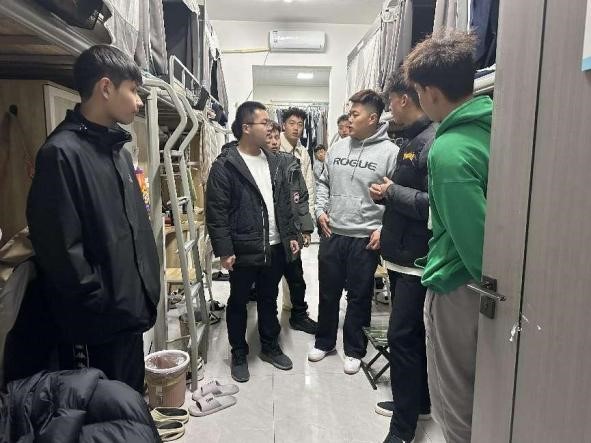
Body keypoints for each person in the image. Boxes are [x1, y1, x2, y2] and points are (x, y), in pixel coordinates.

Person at [26, 45, 160, 393]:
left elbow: (131, 230)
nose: (139, 102)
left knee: (129, 400)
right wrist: (99, 303)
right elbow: (60, 251)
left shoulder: (118, 152)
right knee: (99, 408)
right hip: (95, 326)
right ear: (105, 88)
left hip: (126, 313)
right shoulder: (60, 154)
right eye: (133, 90)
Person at [405, 32, 493, 443]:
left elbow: (478, 247)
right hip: (483, 291)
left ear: (431, 92)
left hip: (461, 285)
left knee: (453, 400)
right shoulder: (492, 127)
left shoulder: (450, 149)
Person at [206, 101, 300, 383]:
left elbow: (284, 204)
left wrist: (291, 236)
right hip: (243, 247)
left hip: (274, 245)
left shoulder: (274, 161)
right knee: (238, 301)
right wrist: (225, 250)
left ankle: (270, 345)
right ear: (246, 128)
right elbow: (217, 212)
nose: (271, 128)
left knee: (269, 298)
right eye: (265, 123)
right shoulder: (226, 165)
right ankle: (238, 351)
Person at [309, 89, 399, 375]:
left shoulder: (391, 153)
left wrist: (383, 228)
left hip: (365, 238)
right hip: (333, 231)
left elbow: (396, 197)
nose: (349, 118)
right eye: (349, 113)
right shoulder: (337, 147)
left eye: (355, 114)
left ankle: (354, 349)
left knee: (359, 297)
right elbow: (323, 182)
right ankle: (324, 342)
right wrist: (319, 211)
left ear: (372, 118)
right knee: (328, 292)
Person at [369, 70, 436, 443]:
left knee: (402, 337)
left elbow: (435, 205)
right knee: (411, 336)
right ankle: (417, 403)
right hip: (401, 254)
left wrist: (391, 193)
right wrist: (388, 196)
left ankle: (403, 428)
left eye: (390, 102)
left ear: (404, 99)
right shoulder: (412, 139)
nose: (389, 109)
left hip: (416, 260)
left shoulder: (432, 141)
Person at [266, 122, 318, 334]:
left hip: (290, 234)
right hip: (268, 238)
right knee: (268, 287)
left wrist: (305, 229)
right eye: (269, 137)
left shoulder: (290, 163)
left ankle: (299, 315)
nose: (274, 142)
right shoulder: (255, 166)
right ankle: (269, 328)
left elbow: (302, 198)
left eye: (276, 137)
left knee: (296, 279)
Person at [280, 107, 316, 237]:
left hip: (297, 213)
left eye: (300, 124)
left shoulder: (303, 153)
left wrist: (307, 223)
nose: (296, 128)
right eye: (292, 123)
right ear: (283, 125)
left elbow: (308, 187)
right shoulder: (274, 146)